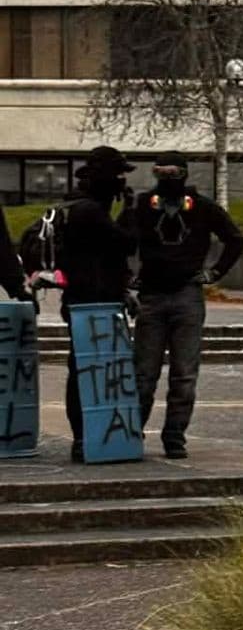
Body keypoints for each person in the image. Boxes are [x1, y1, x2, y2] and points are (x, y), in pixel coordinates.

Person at [132, 153, 243, 460]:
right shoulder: (143, 205)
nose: (167, 178)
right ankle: (132, 432)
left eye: (172, 173)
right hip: (152, 294)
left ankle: (174, 436)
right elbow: (119, 239)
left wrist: (214, 273)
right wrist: (128, 276)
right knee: (144, 372)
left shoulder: (204, 208)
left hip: (186, 294)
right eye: (160, 172)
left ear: (183, 174)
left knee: (184, 374)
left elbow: (235, 239)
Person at [58, 146, 138, 463]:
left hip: (93, 298)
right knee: (86, 369)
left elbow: (108, 258)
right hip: (89, 302)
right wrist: (130, 210)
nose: (121, 182)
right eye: (118, 174)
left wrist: (122, 292)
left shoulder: (84, 207)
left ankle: (94, 432)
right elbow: (125, 242)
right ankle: (84, 436)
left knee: (91, 368)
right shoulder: (88, 211)